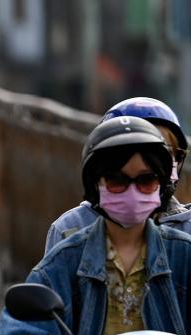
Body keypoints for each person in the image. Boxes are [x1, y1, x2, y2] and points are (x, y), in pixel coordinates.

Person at [0, 116, 191, 335]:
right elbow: (25, 324)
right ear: (95, 184)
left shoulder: (183, 254)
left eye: (145, 181)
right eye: (117, 181)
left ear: (162, 185)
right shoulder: (66, 258)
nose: (132, 192)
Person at [45, 97, 191, 253]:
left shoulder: (187, 230)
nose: (142, 163)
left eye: (160, 153)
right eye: (128, 153)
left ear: (178, 158)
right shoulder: (71, 228)